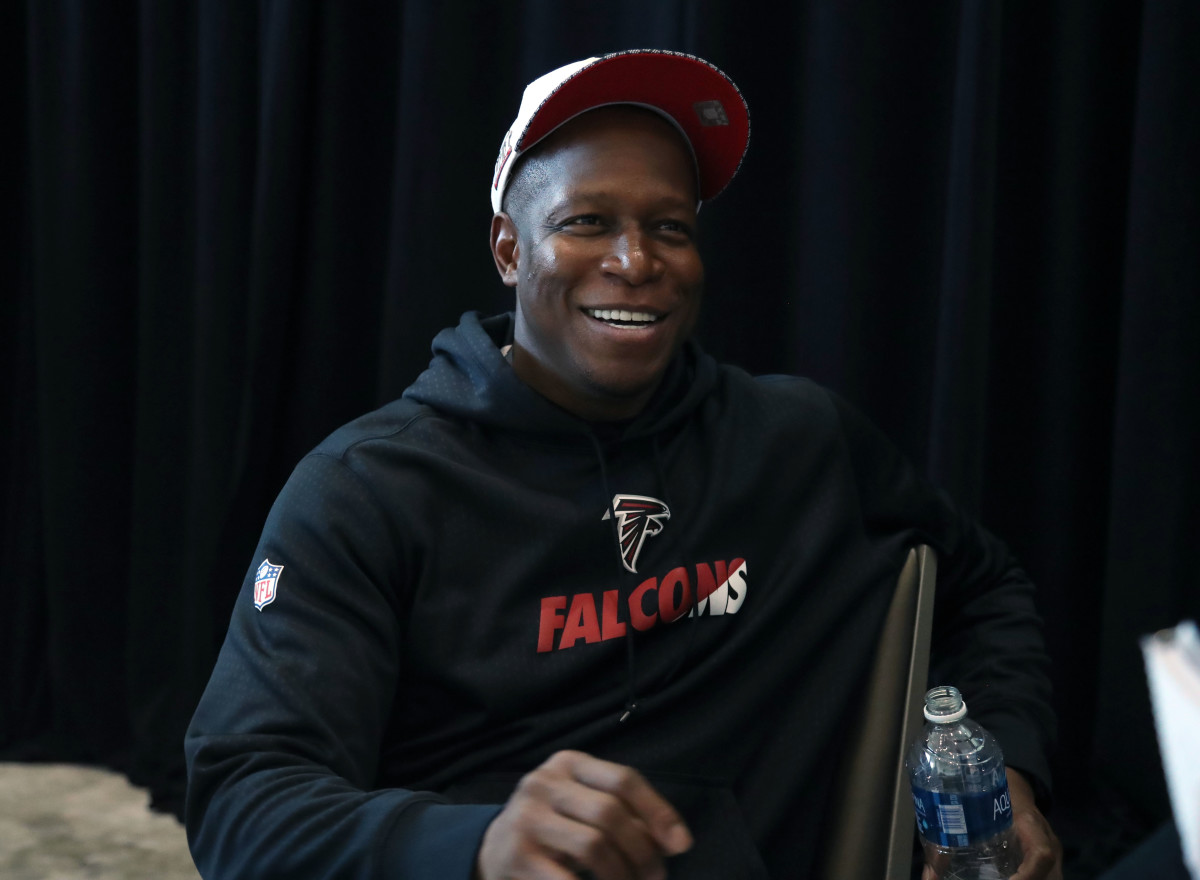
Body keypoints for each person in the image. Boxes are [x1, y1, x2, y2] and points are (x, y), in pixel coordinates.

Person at [184, 50, 1062, 879]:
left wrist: (1011, 765)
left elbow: (985, 592)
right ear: (508, 249)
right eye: (586, 222)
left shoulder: (798, 441)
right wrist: (477, 845)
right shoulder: (368, 492)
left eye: (668, 228)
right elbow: (241, 802)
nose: (635, 262)